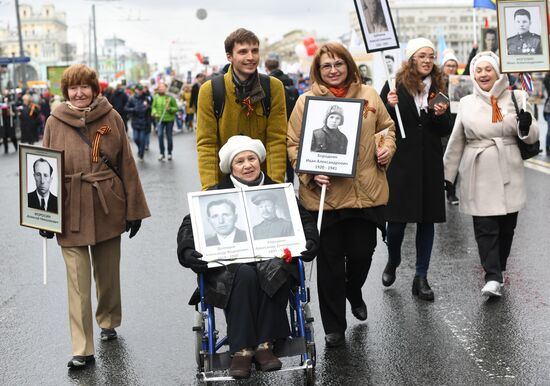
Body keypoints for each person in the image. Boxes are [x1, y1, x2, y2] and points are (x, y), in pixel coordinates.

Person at [177, 135, 319, 379]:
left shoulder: (277, 190)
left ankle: (265, 345)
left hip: (272, 259)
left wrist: (310, 240)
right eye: (239, 161)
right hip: (231, 266)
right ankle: (241, 350)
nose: (247, 165)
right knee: (244, 274)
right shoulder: (215, 193)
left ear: (259, 160)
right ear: (231, 167)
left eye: (251, 158)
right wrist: (188, 250)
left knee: (273, 269)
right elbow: (190, 225)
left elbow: (303, 219)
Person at [41, 64, 150, 369]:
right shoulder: (54, 121)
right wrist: (43, 217)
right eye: (73, 88)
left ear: (94, 89)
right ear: (66, 92)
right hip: (70, 207)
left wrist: (134, 210)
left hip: (107, 203)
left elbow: (126, 162)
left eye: (84, 87)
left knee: (107, 274)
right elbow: (44, 166)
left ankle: (108, 320)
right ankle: (82, 348)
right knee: (77, 282)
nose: (79, 93)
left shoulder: (111, 116)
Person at [288, 42, 396, 347]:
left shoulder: (369, 96)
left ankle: (354, 290)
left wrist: (387, 148)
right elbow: (293, 144)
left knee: (363, 253)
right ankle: (334, 326)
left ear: (349, 65)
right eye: (326, 66)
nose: (333, 71)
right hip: (327, 197)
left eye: (338, 64)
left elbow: (386, 129)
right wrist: (310, 172)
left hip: (365, 193)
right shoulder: (305, 101)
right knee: (330, 265)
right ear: (318, 70)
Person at [443, 51, 539, 297]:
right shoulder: (465, 103)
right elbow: (456, 141)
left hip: (509, 168)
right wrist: (447, 176)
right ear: (473, 74)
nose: (483, 74)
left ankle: (500, 269)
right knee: (485, 227)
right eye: (478, 70)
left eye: (488, 69)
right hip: (479, 171)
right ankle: (492, 276)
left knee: (507, 228)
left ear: (498, 72)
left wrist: (527, 125)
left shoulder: (517, 97)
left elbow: (531, 134)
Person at [379, 37, 451, 302]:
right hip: (402, 163)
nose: (427, 60)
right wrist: (388, 105)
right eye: (422, 55)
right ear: (411, 59)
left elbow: (444, 130)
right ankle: (393, 258)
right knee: (396, 222)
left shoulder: (440, 87)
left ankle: (421, 277)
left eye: (431, 56)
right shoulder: (393, 85)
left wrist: (441, 115)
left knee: (426, 220)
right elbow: (379, 123)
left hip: (430, 162)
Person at [196, 28, 287, 190]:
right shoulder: (210, 90)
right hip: (225, 183)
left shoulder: (274, 87)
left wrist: (275, 187)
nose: (250, 57)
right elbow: (207, 144)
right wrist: (210, 189)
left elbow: (276, 140)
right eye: (243, 52)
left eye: (255, 51)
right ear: (229, 56)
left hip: (263, 181)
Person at [441, 50, 460, 205]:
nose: (451, 68)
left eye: (454, 66)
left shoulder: (459, 81)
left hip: (456, 123)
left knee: (454, 161)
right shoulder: (436, 81)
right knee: (440, 160)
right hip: (441, 125)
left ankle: (451, 192)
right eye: (448, 65)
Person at [151, 83, 178, 161]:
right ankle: (162, 153)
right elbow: (153, 107)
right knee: (160, 135)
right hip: (159, 119)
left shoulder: (170, 97)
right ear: (158, 89)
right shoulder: (156, 97)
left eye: (163, 87)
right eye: (160, 87)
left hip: (169, 119)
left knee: (169, 136)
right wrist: (154, 112)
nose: (161, 89)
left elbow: (176, 108)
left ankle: (169, 153)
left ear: (166, 88)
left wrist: (170, 108)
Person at [125, 84, 151, 161]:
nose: (139, 91)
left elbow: (150, 108)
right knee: (136, 139)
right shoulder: (131, 99)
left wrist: (148, 107)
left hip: (144, 122)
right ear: (135, 90)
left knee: (142, 139)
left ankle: (141, 153)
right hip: (135, 122)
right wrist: (133, 109)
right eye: (138, 90)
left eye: (141, 90)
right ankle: (140, 149)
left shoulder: (146, 98)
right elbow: (126, 108)